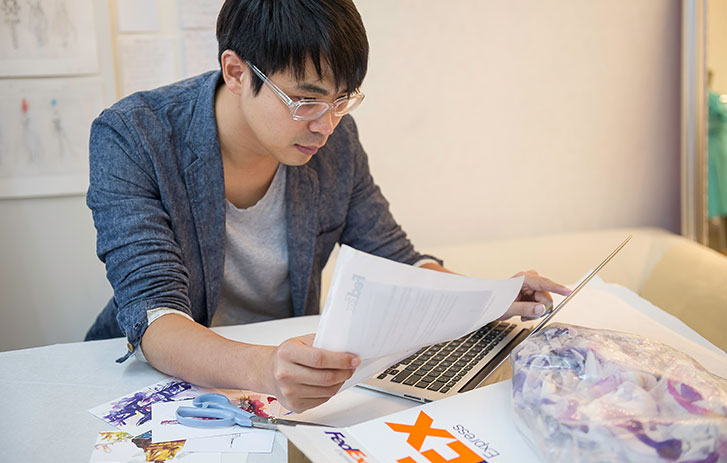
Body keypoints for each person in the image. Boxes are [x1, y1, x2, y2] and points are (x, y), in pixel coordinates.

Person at [85, 0, 570, 413]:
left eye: (342, 100)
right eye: (305, 100)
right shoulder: (134, 136)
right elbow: (155, 317)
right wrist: (264, 367)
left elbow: (394, 254)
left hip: (284, 379)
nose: (326, 125)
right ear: (236, 72)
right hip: (160, 382)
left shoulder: (333, 143)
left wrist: (487, 298)